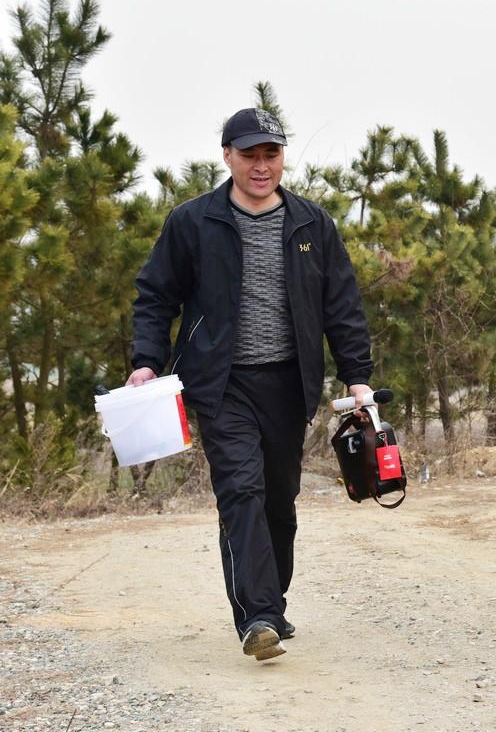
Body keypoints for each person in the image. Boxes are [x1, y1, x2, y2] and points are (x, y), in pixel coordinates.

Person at [127, 108, 374, 661]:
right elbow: (155, 296)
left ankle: (270, 605)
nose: (261, 166)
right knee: (241, 490)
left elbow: (343, 306)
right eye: (249, 154)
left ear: (282, 157)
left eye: (271, 154)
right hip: (220, 384)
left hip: (290, 384)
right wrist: (147, 360)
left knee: (280, 502)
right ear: (227, 156)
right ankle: (257, 615)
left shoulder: (312, 223)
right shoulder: (193, 222)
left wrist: (357, 377)